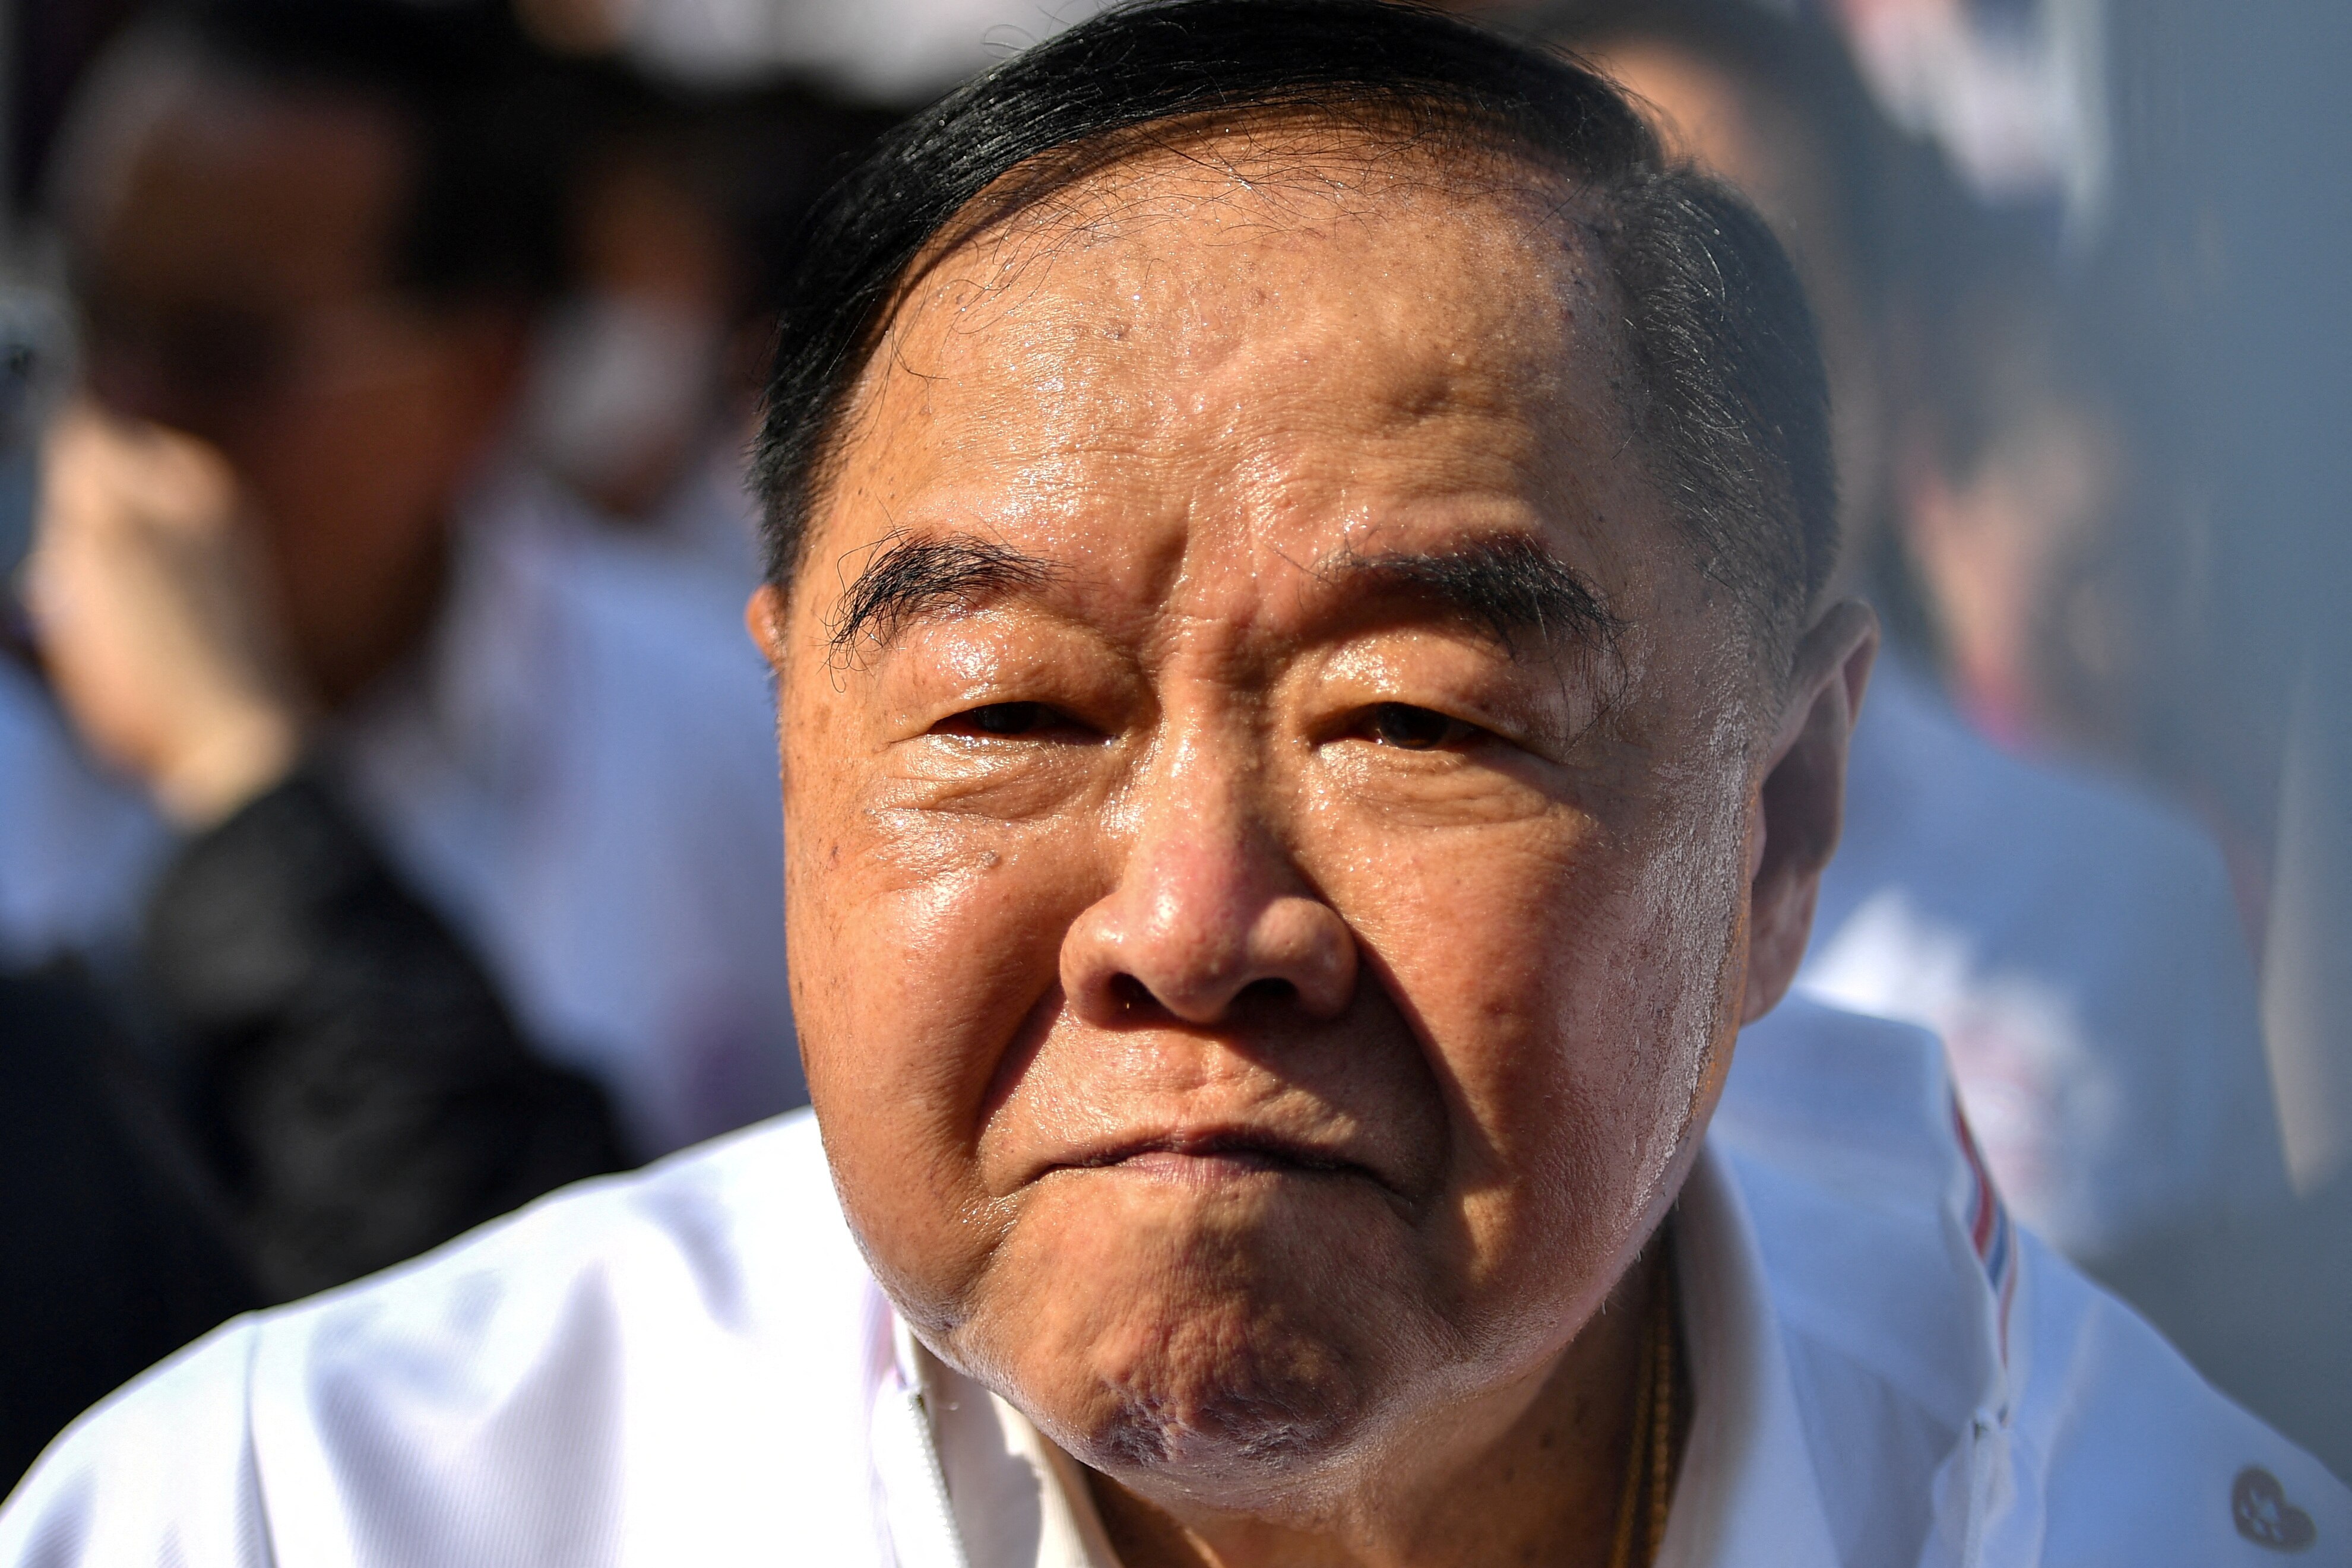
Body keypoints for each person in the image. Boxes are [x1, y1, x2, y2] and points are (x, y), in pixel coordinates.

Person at [4, 4, 2339, 1563]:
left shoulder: (2113, 1519)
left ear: (1780, 824)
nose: (1192, 922)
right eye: (1007, 718)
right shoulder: (306, 1517)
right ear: (795, 751)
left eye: (1412, 720)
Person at [1540, 0, 2288, 1275]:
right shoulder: (1383, 900)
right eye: (1607, 297)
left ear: (1885, 356)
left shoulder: (2126, 910)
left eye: (1753, 292)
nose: (1688, 382)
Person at [26, 0, 800, 1156]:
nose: (120, 430)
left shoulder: (735, 745)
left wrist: (226, 758)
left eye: (222, 354)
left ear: (480, 375)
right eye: (88, 328)